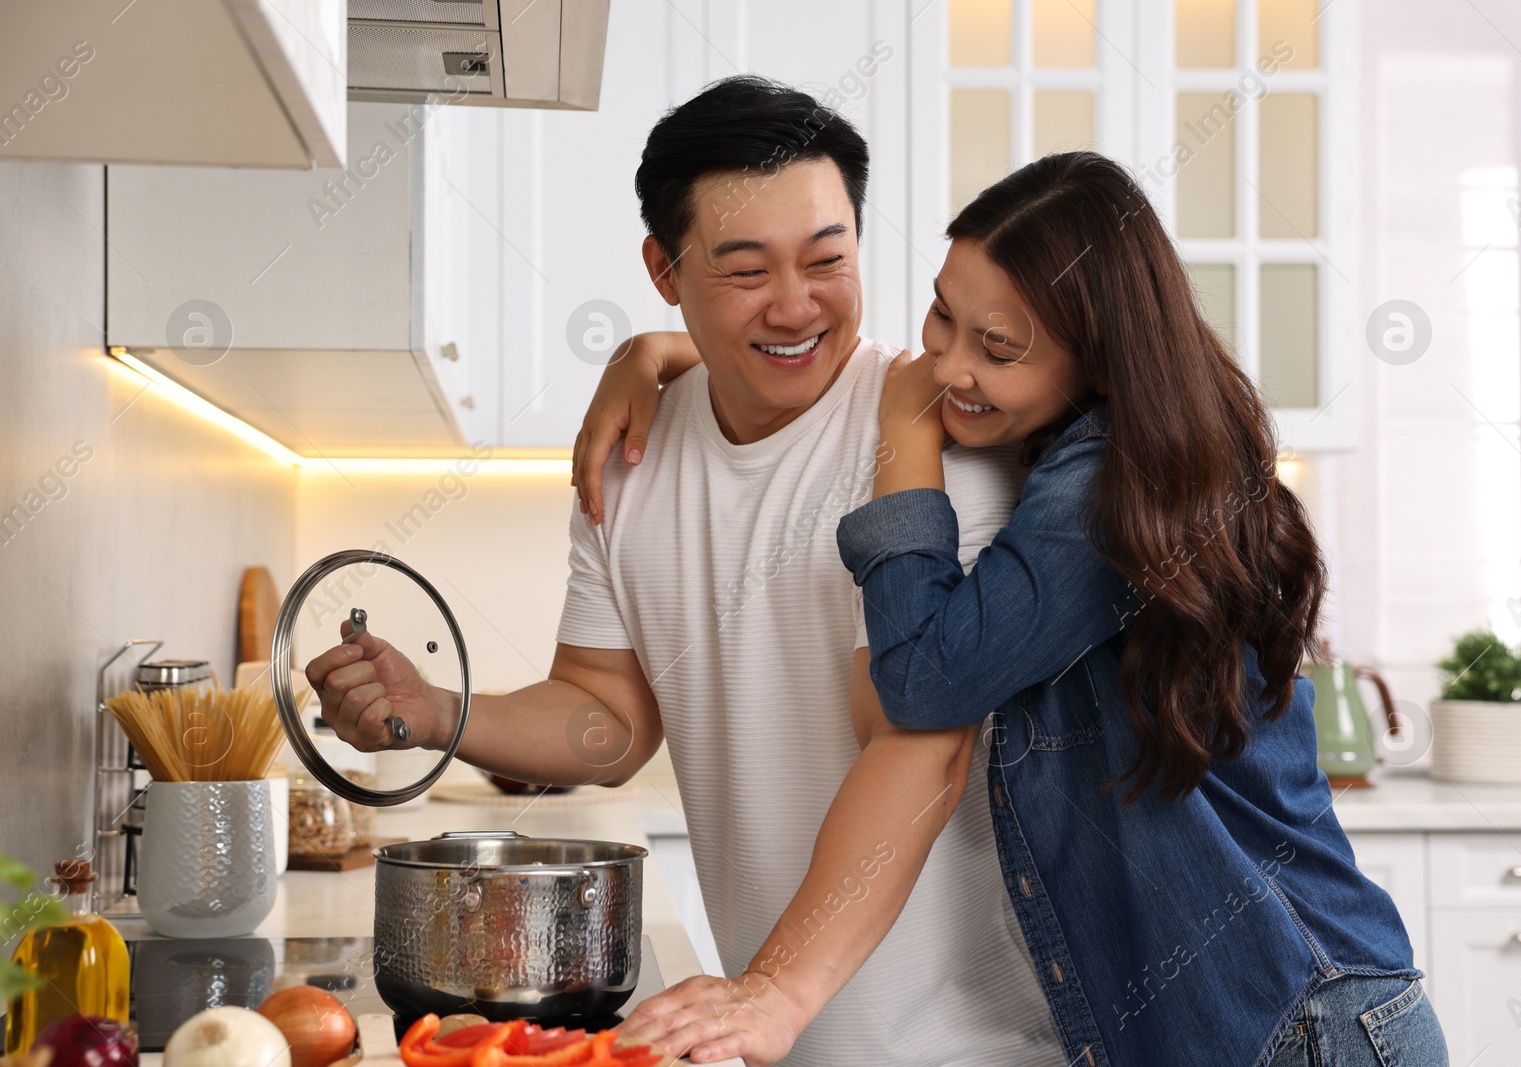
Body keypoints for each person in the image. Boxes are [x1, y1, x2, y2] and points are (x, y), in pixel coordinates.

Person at [307, 76, 1062, 1067]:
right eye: (745, 269)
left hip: (977, 1044)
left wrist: (773, 987)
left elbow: (923, 747)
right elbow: (606, 716)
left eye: (827, 259)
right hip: (777, 1034)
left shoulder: (931, 445)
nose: (796, 304)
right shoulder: (633, 453)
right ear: (665, 269)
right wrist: (440, 708)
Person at [830, 152, 1449, 1066]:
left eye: (997, 348)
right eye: (942, 314)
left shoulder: (1104, 491)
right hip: (1304, 1012)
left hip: (1300, 1021)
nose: (948, 364)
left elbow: (924, 681)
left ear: (1104, 363)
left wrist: (901, 438)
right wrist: (664, 353)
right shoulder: (1133, 457)